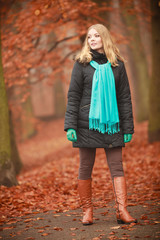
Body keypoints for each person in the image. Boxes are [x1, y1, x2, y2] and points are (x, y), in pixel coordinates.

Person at [64, 24, 137, 225]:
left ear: (104, 38)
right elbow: (73, 96)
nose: (92, 39)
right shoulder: (81, 64)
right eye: (89, 37)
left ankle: (122, 210)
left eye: (96, 36)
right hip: (86, 123)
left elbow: (124, 98)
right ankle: (87, 211)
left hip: (113, 124)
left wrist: (128, 127)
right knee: (85, 167)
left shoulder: (118, 65)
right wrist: (70, 125)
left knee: (117, 166)